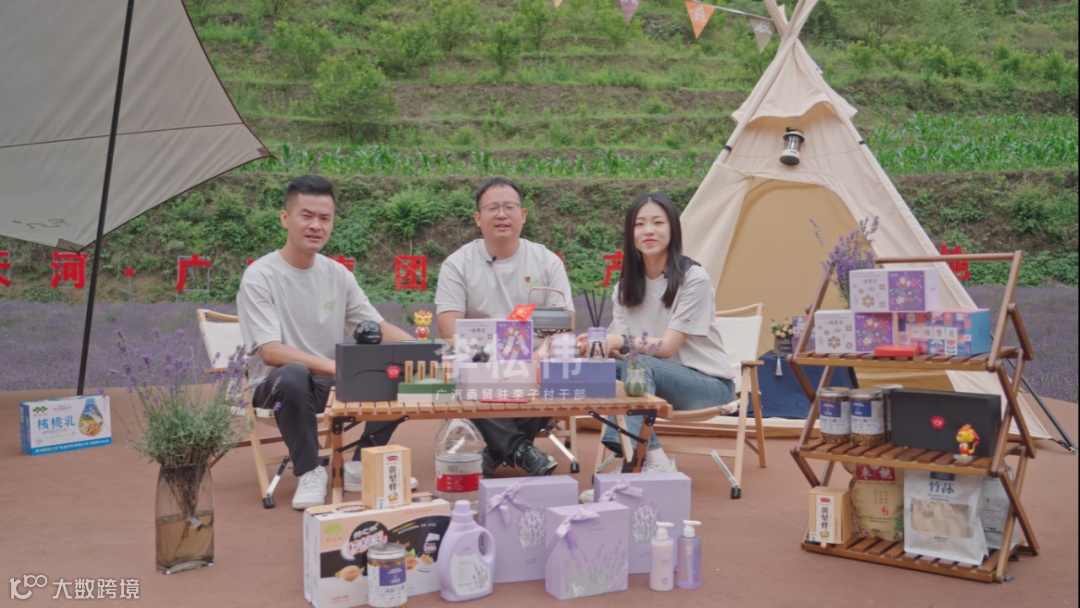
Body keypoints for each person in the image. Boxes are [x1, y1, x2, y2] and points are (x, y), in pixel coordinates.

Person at [237, 175, 416, 510]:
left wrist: (424, 353)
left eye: (325, 218)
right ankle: (309, 470)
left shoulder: (338, 275)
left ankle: (363, 464)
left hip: (328, 383)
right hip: (276, 386)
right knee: (293, 374)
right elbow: (270, 351)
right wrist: (339, 367)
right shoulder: (261, 276)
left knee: (399, 367)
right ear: (285, 218)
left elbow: (377, 327)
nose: (316, 225)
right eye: (306, 216)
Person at [579, 192, 737, 479]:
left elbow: (666, 347)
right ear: (631, 234)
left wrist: (620, 342)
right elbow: (619, 349)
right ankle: (652, 458)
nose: (648, 230)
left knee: (640, 364)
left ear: (673, 229)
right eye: (639, 224)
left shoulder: (693, 278)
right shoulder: (625, 286)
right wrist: (596, 347)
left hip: (707, 385)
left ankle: (632, 463)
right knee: (599, 367)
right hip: (649, 382)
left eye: (657, 222)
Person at [435, 177, 574, 478]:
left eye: (509, 207)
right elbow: (448, 329)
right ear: (478, 218)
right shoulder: (457, 264)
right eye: (493, 208)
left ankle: (495, 452)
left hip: (534, 360)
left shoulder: (547, 261)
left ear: (523, 215)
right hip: (481, 359)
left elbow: (564, 325)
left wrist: (539, 356)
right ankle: (520, 450)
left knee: (556, 370)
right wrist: (495, 356)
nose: (501, 215)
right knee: (463, 371)